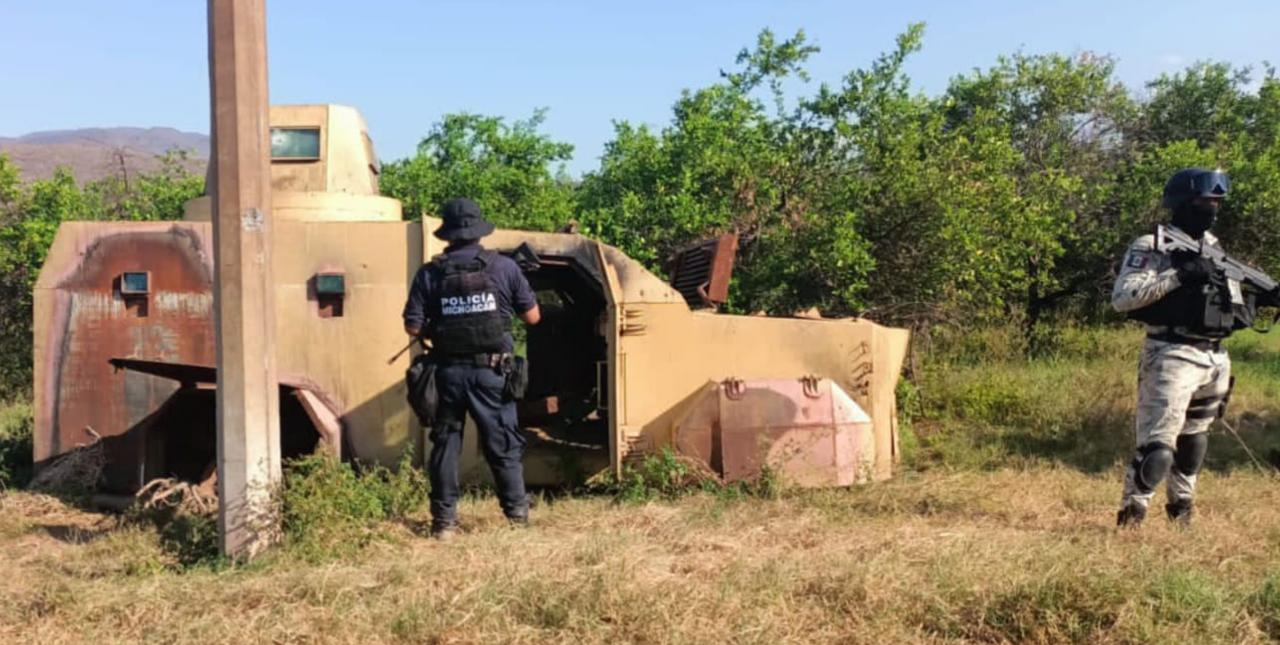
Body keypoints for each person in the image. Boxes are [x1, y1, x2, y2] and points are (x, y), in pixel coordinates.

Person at [1110, 168, 1246, 528]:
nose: (1212, 207)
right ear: (1184, 202)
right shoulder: (1151, 245)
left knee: (1194, 441)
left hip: (1214, 356)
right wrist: (1180, 275)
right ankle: (1132, 516)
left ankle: (1181, 512)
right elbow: (1124, 298)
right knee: (1158, 448)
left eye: (1216, 201)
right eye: (1205, 200)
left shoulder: (1214, 246)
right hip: (1171, 352)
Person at [402, 198, 541, 540]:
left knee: (446, 445)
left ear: (448, 234)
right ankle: (517, 516)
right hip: (491, 374)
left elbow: (413, 328)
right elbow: (533, 317)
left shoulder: (430, 272)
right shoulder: (505, 268)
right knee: (502, 443)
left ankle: (444, 523)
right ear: (479, 230)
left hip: (447, 374)